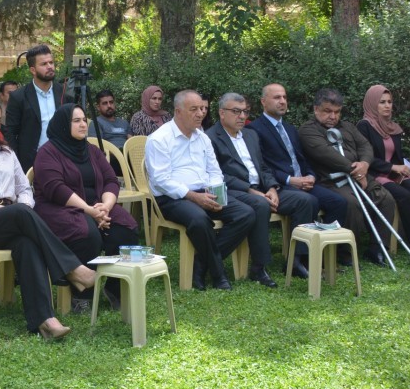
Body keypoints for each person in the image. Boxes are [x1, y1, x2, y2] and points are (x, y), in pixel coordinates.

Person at [0, 96, 95, 338]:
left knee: (26, 244)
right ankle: (72, 268)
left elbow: (25, 189)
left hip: (15, 219)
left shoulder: (6, 153)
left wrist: (23, 206)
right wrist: (5, 208)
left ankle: (46, 321)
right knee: (19, 212)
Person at [145, 90, 255, 290]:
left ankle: (201, 264)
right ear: (178, 111)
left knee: (245, 214)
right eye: (194, 109)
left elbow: (214, 170)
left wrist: (215, 193)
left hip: (205, 192)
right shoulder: (159, 139)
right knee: (199, 219)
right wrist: (194, 197)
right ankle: (218, 274)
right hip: (173, 198)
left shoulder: (202, 138)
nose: (200, 113)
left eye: (203, 109)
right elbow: (161, 180)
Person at [33, 104, 140, 311]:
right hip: (58, 208)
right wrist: (89, 210)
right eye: (76, 121)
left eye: (84, 120)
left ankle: (113, 287)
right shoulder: (48, 152)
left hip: (97, 207)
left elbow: (110, 179)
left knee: (126, 229)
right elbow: (56, 188)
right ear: (64, 125)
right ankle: (82, 294)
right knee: (87, 233)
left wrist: (106, 207)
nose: (83, 124)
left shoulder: (91, 150)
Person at [206, 93, 315, 284]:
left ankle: (296, 260)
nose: (242, 116)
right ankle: (259, 267)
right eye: (236, 111)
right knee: (260, 204)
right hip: (236, 190)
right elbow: (219, 174)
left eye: (245, 111)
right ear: (222, 113)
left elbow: (263, 167)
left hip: (262, 188)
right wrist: (250, 190)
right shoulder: (211, 137)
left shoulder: (250, 134)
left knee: (305, 200)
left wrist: (272, 187)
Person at [248, 83, 349, 271]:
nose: (282, 101)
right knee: (307, 201)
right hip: (279, 186)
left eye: (284, 97)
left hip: (302, 182)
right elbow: (262, 166)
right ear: (263, 102)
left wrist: (310, 175)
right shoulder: (255, 130)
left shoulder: (290, 128)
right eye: (277, 97)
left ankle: (325, 255)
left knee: (339, 202)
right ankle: (299, 260)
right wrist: (289, 180)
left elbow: (302, 159)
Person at [299, 88, 397, 266]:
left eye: (337, 112)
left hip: (360, 176)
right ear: (316, 110)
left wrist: (365, 164)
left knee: (386, 198)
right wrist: (356, 170)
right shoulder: (308, 130)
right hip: (331, 182)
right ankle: (346, 252)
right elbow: (325, 154)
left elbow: (365, 146)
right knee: (352, 203)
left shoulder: (348, 127)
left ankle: (378, 249)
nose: (333, 117)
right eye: (327, 111)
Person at [356, 85, 410, 256]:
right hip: (375, 174)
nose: (387, 106)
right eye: (382, 102)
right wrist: (392, 167)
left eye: (390, 102)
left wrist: (404, 169)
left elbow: (395, 156)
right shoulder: (364, 126)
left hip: (393, 174)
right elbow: (365, 158)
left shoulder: (393, 127)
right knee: (404, 196)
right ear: (372, 104)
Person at [5, 44, 64, 172]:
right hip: (32, 163)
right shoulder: (18, 97)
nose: (49, 66)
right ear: (33, 70)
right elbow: (10, 133)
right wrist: (18, 162)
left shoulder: (64, 92)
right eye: (44, 64)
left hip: (63, 160)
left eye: (51, 62)